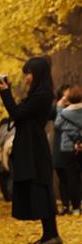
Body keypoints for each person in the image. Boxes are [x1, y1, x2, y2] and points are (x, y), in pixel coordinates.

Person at [0, 58, 62, 244]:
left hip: (35, 147)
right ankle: (49, 235)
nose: (26, 78)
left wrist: (5, 93)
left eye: (29, 73)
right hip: (30, 145)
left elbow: (17, 113)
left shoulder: (42, 96)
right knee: (38, 188)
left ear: (38, 74)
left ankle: (52, 236)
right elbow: (20, 113)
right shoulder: (38, 94)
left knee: (41, 188)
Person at [54, 86, 82, 215]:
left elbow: (57, 124)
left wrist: (60, 107)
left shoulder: (65, 113)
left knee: (72, 178)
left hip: (68, 148)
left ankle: (75, 207)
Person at [52, 85, 72, 214]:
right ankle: (65, 205)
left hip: (72, 149)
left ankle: (75, 204)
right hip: (59, 149)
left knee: (73, 178)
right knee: (62, 178)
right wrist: (59, 106)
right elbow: (57, 124)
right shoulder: (56, 110)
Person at [0, 117, 15, 202]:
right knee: (12, 175)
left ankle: (7, 196)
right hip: (12, 154)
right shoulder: (15, 128)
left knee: (4, 178)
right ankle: (12, 196)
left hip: (1, 157)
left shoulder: (0, 131)